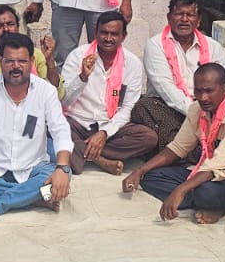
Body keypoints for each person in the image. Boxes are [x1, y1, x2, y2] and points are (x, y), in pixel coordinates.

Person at [122, 62, 225, 223]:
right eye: (198, 91)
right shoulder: (197, 109)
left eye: (209, 91)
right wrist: (140, 171)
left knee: (205, 192)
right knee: (150, 177)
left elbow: (219, 164)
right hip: (208, 171)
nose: (203, 97)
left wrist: (180, 190)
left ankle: (210, 203)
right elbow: (178, 148)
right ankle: (206, 203)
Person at [0, 31, 74, 217]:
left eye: (22, 61)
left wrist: (61, 168)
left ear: (32, 61)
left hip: (33, 168)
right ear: (1, 61)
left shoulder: (46, 91)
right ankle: (34, 197)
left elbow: (60, 131)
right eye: (10, 61)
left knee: (65, 173)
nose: (16, 66)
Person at [59, 10, 157, 175]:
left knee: (148, 138)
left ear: (123, 36)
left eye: (114, 34)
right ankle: (100, 160)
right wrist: (82, 77)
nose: (108, 38)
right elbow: (64, 100)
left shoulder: (132, 64)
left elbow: (127, 108)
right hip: (76, 122)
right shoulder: (78, 56)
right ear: (96, 32)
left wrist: (104, 133)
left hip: (110, 125)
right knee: (51, 125)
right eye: (104, 33)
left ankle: (79, 152)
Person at [134, 0, 225, 149]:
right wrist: (196, 113)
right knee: (145, 107)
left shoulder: (213, 47)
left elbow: (221, 84)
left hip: (206, 106)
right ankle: (195, 148)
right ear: (169, 17)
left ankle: (191, 148)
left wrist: (209, 111)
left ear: (198, 20)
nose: (184, 19)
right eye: (179, 14)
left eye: (190, 15)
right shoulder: (155, 45)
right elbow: (165, 88)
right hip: (168, 107)